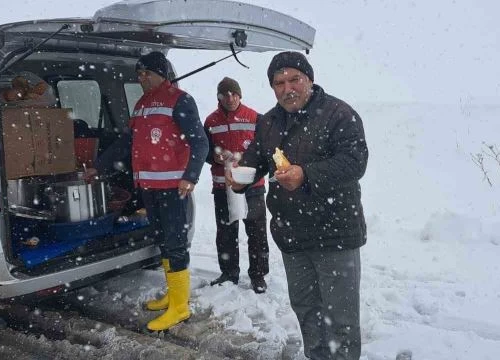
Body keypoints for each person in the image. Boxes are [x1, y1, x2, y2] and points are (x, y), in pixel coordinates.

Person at [227, 51, 368, 359]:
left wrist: (306, 174)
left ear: (310, 80)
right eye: (279, 82)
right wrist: (240, 175)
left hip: (335, 234)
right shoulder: (269, 122)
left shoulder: (338, 114)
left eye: (294, 79)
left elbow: (355, 162)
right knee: (307, 311)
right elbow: (255, 159)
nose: (287, 88)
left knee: (340, 319)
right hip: (292, 236)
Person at [91, 51, 209, 331]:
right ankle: (172, 294)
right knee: (163, 240)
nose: (142, 78)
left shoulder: (180, 100)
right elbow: (127, 142)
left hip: (173, 187)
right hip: (148, 186)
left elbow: (200, 142)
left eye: (147, 73)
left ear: (162, 73)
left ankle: (180, 307)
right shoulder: (142, 104)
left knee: (176, 242)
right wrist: (100, 166)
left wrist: (190, 177)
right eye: (139, 74)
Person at [204, 77, 269, 293]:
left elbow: (264, 151)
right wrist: (216, 157)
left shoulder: (255, 117)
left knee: (257, 233)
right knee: (225, 232)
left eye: (234, 93)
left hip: (252, 186)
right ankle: (229, 273)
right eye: (225, 94)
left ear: (240, 95)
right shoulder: (211, 122)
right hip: (223, 187)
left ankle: (258, 275)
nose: (230, 98)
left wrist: (247, 161)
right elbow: (204, 151)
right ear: (219, 98)